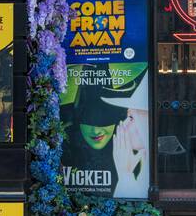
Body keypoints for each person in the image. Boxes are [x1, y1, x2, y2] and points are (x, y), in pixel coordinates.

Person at [61, 69, 149, 198]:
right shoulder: (68, 149)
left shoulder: (144, 167)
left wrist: (125, 174)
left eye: (131, 117)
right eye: (88, 121)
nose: (96, 130)